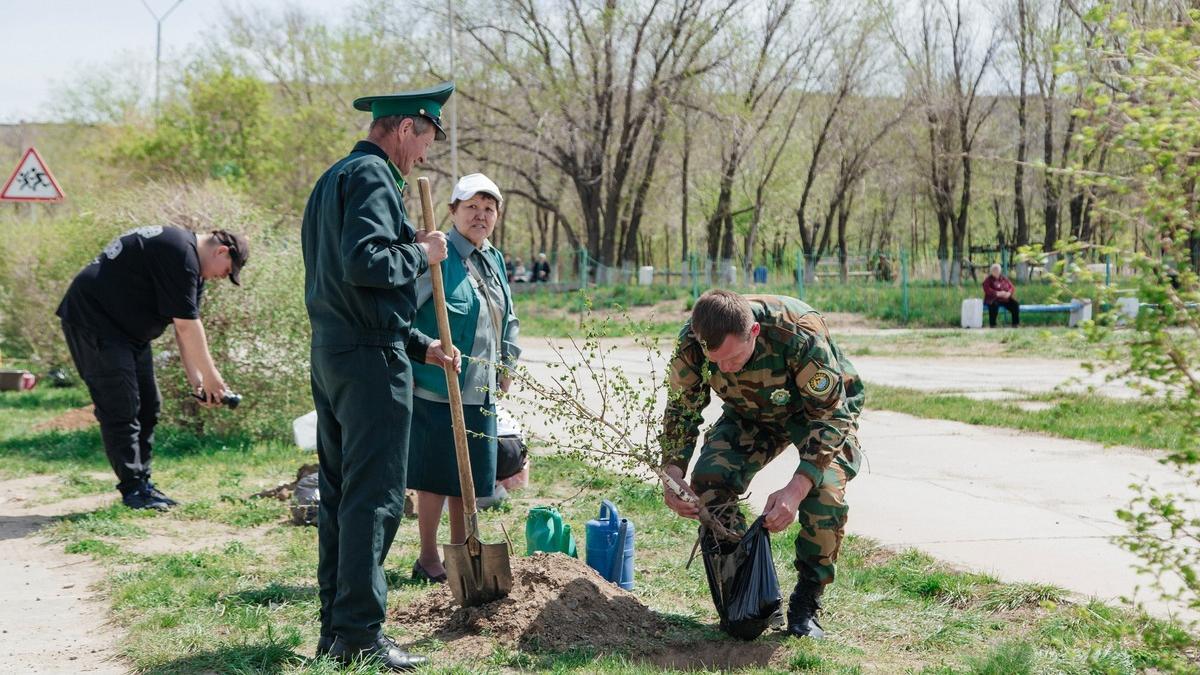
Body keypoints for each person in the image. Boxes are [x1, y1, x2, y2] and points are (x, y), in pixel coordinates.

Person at [301, 82, 460, 671]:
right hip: (368, 365)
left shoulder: (332, 179)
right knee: (376, 500)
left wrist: (421, 346)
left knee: (345, 496)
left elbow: (349, 285)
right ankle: (361, 635)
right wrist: (425, 252)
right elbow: (368, 264)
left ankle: (337, 630)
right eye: (424, 140)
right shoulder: (372, 177)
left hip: (338, 353)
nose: (422, 155)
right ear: (402, 128)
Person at [660, 290, 863, 640]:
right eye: (717, 361)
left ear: (754, 332)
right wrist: (673, 470)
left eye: (734, 359)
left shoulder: (797, 331)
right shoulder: (693, 340)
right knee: (710, 481)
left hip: (814, 416)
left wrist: (795, 489)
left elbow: (831, 416)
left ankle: (807, 602)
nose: (725, 368)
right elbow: (681, 409)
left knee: (824, 494)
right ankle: (746, 598)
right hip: (748, 414)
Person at [56, 225, 247, 510]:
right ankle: (133, 490)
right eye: (226, 271)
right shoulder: (179, 253)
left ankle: (142, 485)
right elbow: (185, 325)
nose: (222, 277)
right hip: (94, 323)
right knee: (121, 406)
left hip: (129, 334)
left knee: (148, 405)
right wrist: (212, 377)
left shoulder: (190, 267)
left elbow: (185, 327)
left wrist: (197, 381)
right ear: (221, 251)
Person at [407, 173, 520, 583]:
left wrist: (508, 361)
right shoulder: (436, 255)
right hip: (438, 385)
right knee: (435, 475)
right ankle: (427, 557)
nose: (481, 215)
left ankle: (459, 550)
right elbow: (406, 314)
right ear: (453, 211)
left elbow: (508, 316)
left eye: (489, 209)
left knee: (466, 473)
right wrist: (428, 348)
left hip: (481, 386)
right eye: (472, 207)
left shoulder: (494, 258)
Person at [982, 263, 1020, 328]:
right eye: (994, 270)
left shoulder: (1003, 278)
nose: (996, 272)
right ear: (991, 271)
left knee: (1015, 304)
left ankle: (1015, 324)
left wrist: (1009, 293)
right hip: (993, 299)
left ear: (1000, 271)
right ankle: (993, 325)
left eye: (997, 270)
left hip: (1004, 298)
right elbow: (987, 289)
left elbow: (1012, 287)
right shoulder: (988, 280)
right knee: (993, 306)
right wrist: (997, 293)